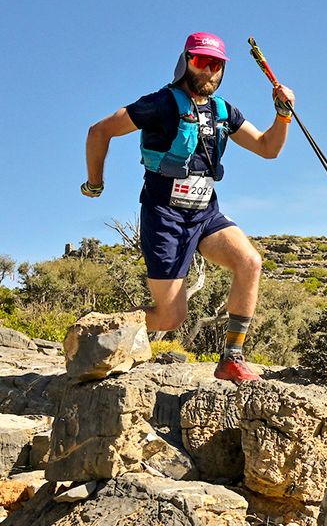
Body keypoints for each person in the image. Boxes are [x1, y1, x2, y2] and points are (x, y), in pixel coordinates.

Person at [82, 32, 295, 383]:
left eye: (217, 64)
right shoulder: (160, 104)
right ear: (186, 62)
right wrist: (95, 183)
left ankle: (232, 358)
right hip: (164, 217)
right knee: (170, 318)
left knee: (250, 262)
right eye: (201, 61)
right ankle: (99, 329)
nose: (209, 70)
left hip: (205, 214)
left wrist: (282, 114)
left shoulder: (223, 111)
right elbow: (99, 131)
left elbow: (267, 148)